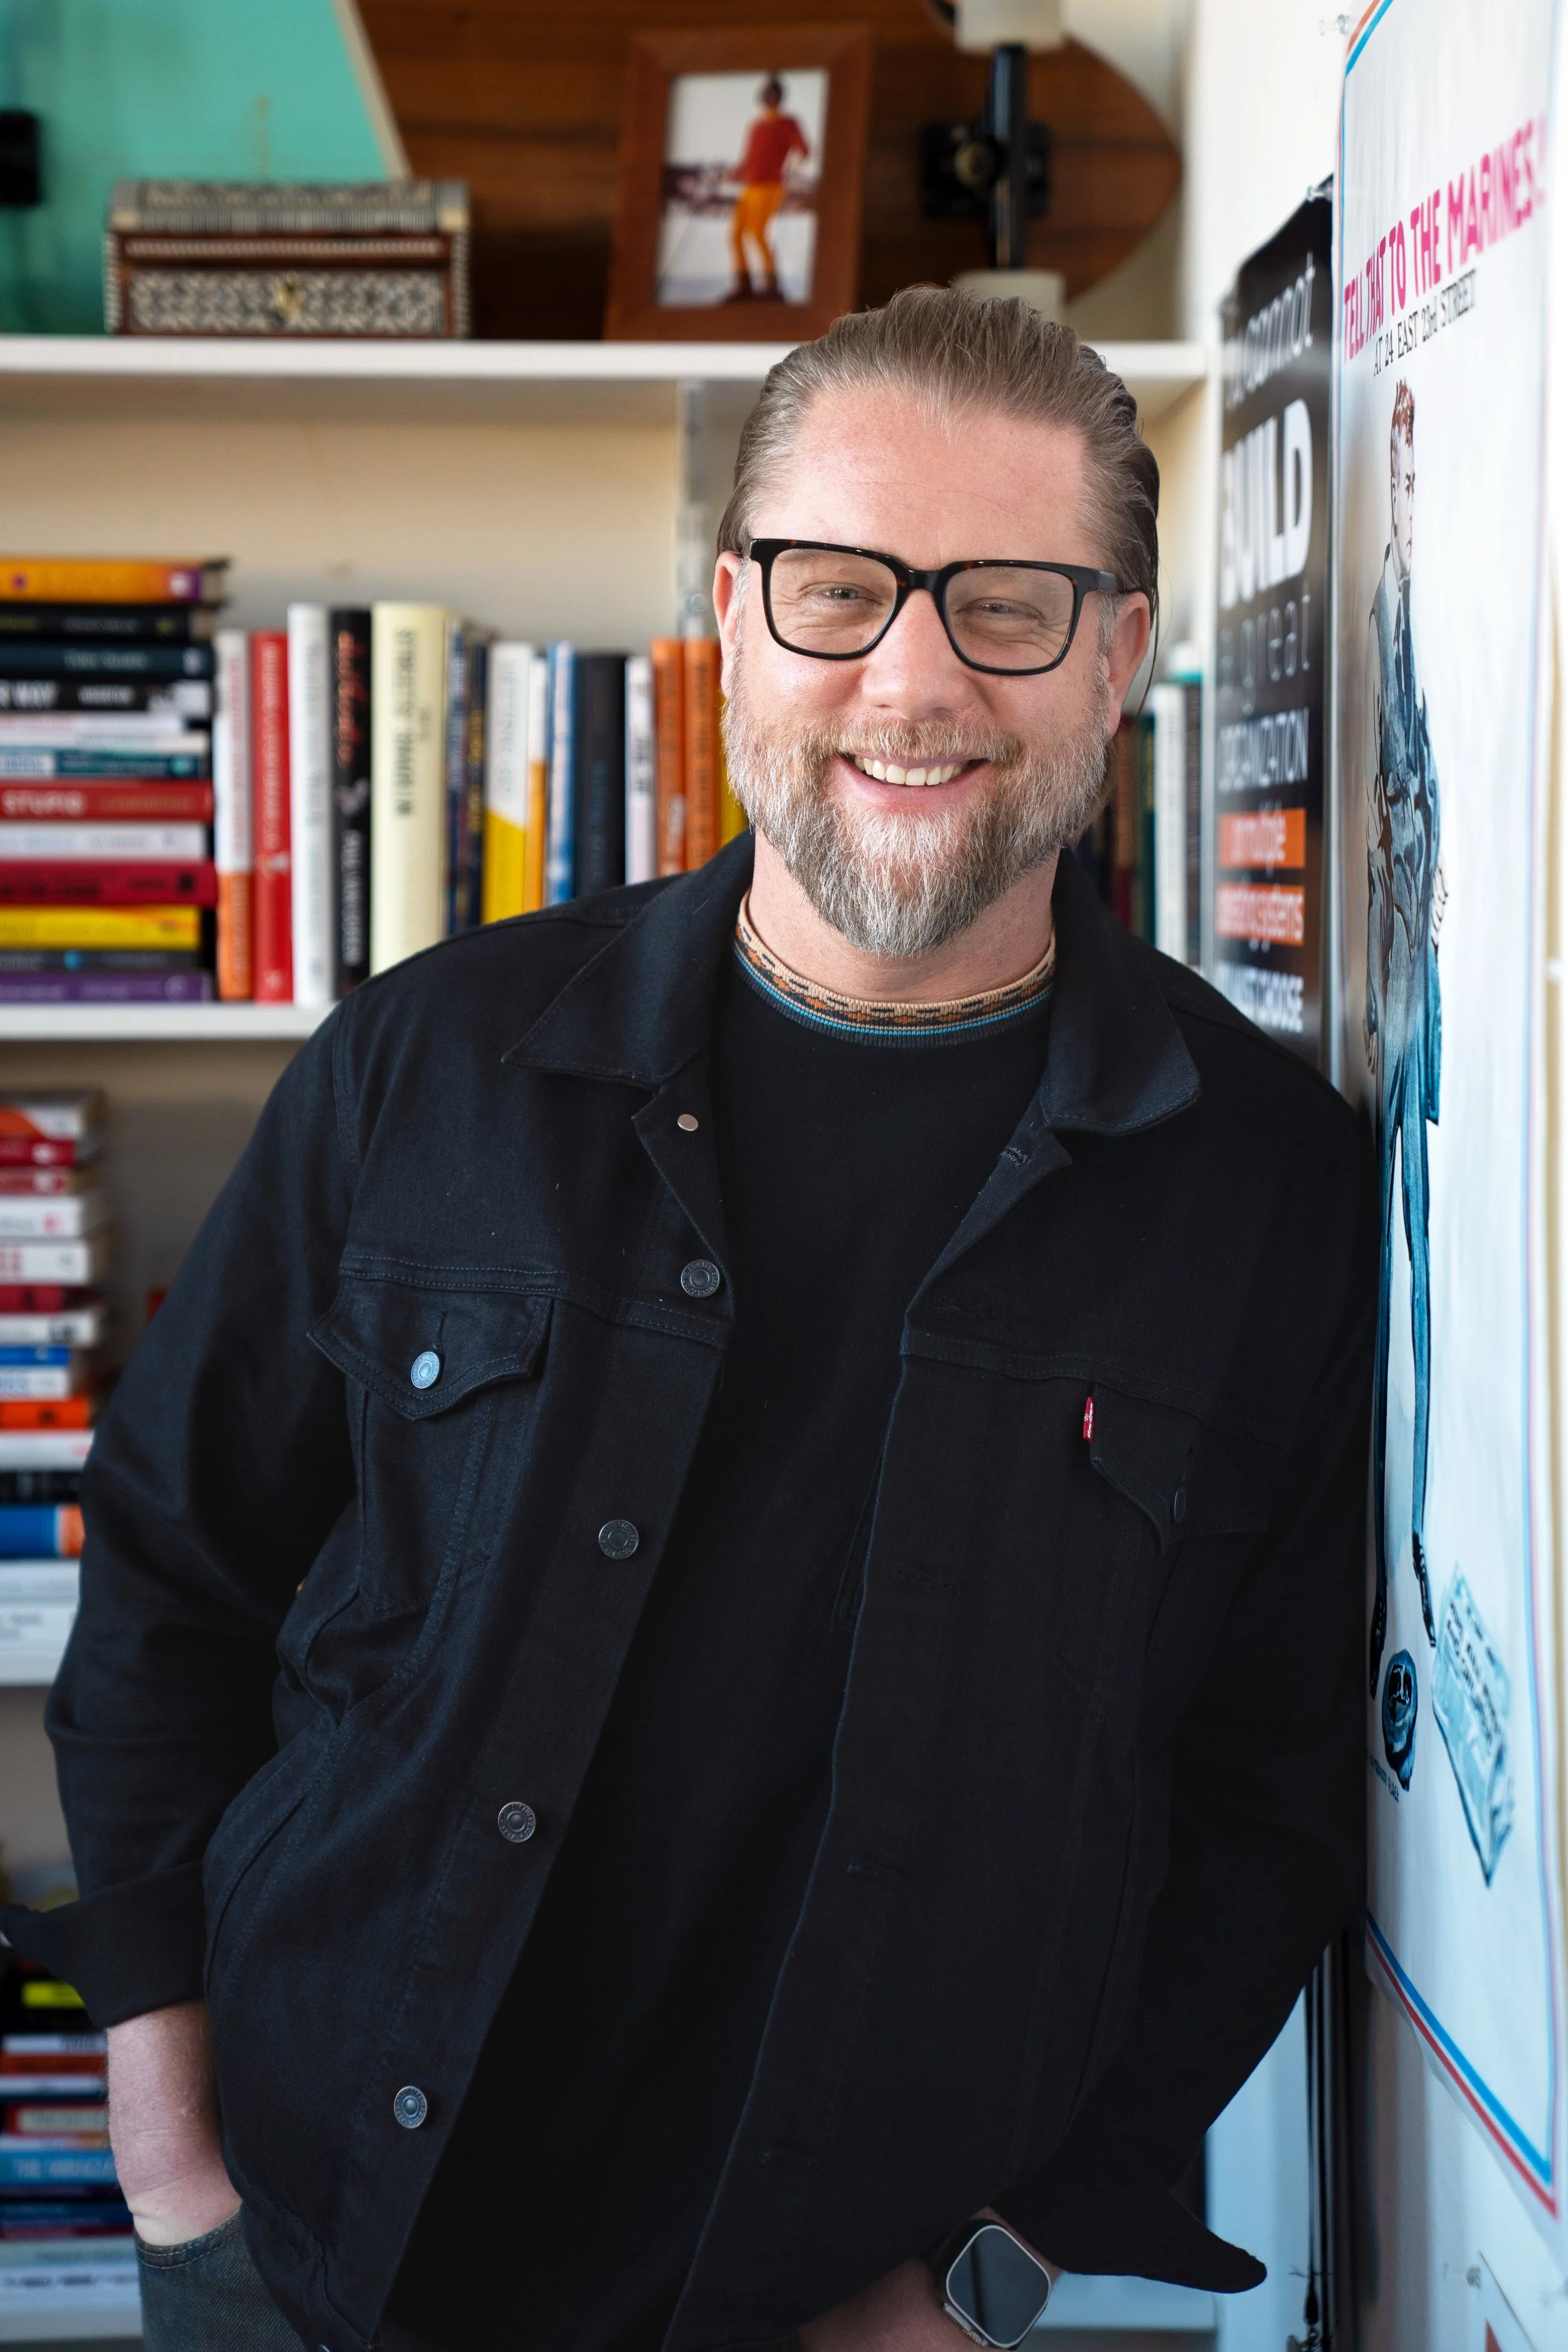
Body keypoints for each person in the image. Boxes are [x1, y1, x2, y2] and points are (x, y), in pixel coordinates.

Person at [3, 289, 1374, 2352]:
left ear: (1117, 651)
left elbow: (1267, 1810)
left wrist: (973, 2284)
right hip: (308, 2256)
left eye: (1007, 602)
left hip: (847, 2310)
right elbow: (173, 1588)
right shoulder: (425, 1068)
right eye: (839, 591)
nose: (913, 681)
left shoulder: (1271, 1192)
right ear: (730, 619)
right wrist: (176, 2163)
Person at [1365, 376, 1444, 1698]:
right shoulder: (1386, 609)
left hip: (1415, 1004)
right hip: (1395, 995)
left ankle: (1416, 1560)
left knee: (1417, 1275)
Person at [727, 76, 808, 302]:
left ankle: (772, 286)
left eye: (774, 95)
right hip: (751, 187)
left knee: (757, 232)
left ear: (779, 98)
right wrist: (735, 172)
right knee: (735, 234)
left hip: (771, 187)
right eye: (767, 95)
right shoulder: (757, 126)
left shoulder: (788, 123)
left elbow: (804, 149)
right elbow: (748, 158)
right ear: (762, 98)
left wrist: (796, 160)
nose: (770, 100)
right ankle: (744, 286)